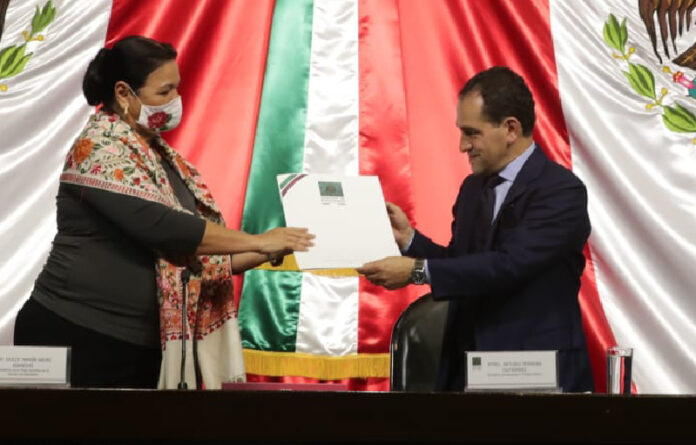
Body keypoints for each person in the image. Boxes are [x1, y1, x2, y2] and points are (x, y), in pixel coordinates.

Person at [13, 36, 314, 389]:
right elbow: (166, 229)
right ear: (124, 93)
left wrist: (274, 247)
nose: (175, 101)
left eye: (177, 89)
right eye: (164, 91)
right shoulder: (96, 149)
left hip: (140, 345)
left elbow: (198, 262)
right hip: (78, 333)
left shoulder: (161, 158)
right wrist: (259, 241)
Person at [358, 66, 594, 392]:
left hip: (535, 376)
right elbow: (462, 266)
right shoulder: (473, 189)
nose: (462, 146)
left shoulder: (561, 191)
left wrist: (416, 271)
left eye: (471, 133)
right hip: (467, 371)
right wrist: (410, 241)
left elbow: (508, 265)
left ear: (510, 128)